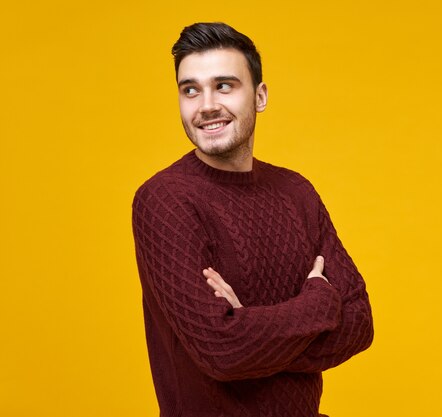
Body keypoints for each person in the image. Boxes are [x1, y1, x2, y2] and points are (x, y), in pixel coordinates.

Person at [132, 22, 374, 417]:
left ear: (260, 96)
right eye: (190, 89)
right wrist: (320, 301)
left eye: (224, 86)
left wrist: (246, 325)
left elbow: (360, 324)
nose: (206, 104)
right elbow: (222, 352)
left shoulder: (296, 192)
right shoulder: (165, 200)